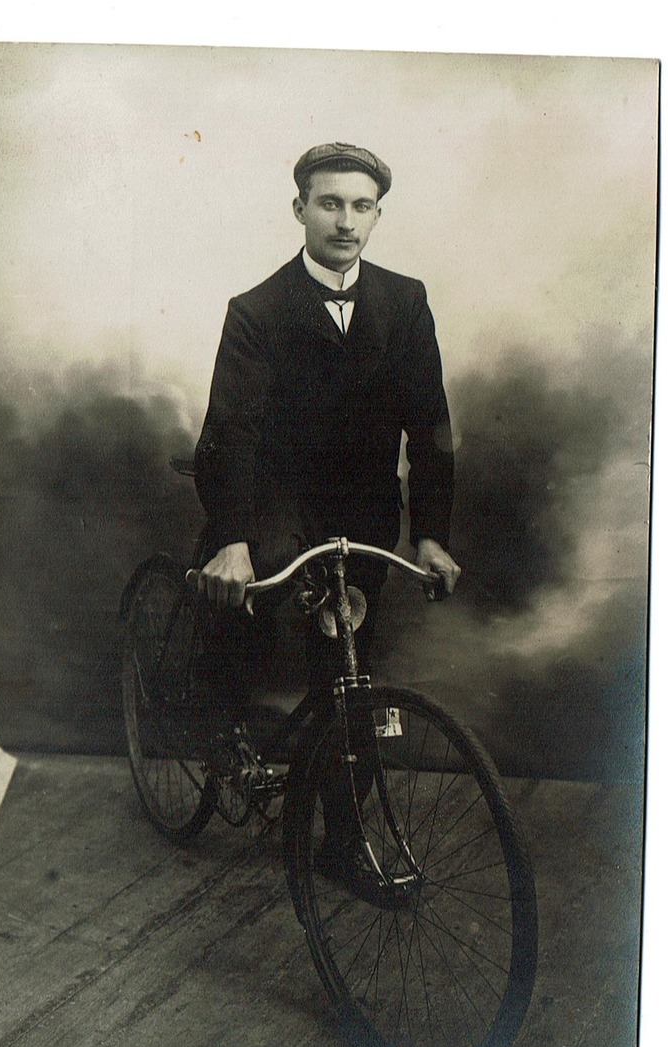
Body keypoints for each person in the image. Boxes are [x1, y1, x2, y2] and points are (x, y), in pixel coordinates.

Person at [192, 142, 461, 869]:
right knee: (247, 595)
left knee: (346, 664)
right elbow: (231, 433)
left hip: (363, 508)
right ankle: (222, 728)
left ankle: (343, 842)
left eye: (361, 205)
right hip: (275, 500)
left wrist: (431, 537)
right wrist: (233, 538)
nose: (345, 220)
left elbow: (428, 428)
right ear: (300, 209)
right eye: (329, 203)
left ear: (376, 215)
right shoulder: (255, 310)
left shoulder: (404, 301)